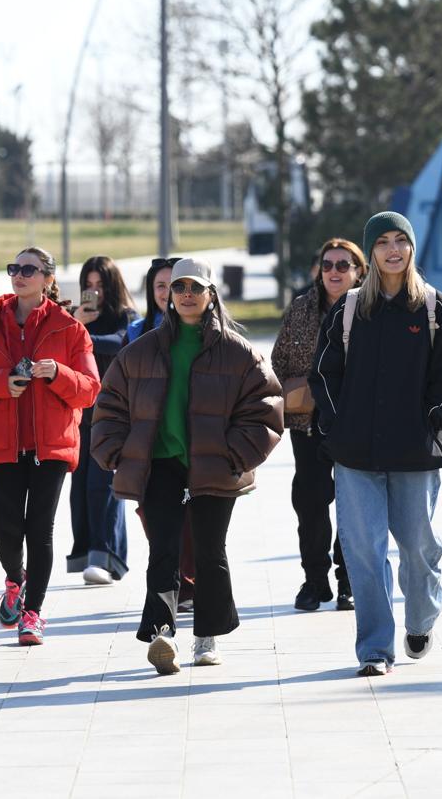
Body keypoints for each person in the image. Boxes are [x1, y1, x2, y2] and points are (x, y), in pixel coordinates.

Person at [92, 257, 283, 674]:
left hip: (215, 467)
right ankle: (162, 635)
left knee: (210, 552)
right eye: (179, 288)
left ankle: (205, 638)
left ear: (211, 294)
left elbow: (266, 408)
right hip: (160, 467)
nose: (187, 295)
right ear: (168, 296)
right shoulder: (139, 352)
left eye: (196, 287)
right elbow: (108, 407)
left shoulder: (238, 353)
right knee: (164, 551)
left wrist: (235, 454)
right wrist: (116, 452)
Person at [309, 212, 442, 677]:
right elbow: (323, 372)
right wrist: (339, 425)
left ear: (412, 248)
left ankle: (421, 620)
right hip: (356, 453)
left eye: (401, 241)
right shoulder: (350, 308)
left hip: (415, 452)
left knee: (419, 546)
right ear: (371, 252)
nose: (393, 250)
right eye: (382, 242)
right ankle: (375, 650)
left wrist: (436, 420)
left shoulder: (436, 308)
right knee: (362, 551)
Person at [0, 247, 99, 646]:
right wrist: (2, 382)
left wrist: (59, 374)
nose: (19, 275)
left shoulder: (69, 329)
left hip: (50, 445)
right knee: (6, 530)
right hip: (1, 443)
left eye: (29, 269)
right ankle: (15, 581)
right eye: (14, 268)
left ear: (48, 279)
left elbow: (88, 390)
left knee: (40, 530)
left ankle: (32, 613)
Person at [271, 239, 366, 612]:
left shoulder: (372, 309)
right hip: (307, 423)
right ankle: (314, 580)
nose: (335, 272)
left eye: (344, 265)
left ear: (360, 271)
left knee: (352, 504)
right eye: (328, 264)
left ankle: (348, 581)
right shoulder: (300, 309)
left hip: (355, 423)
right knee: (309, 504)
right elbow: (277, 363)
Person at [124, 257, 198, 611]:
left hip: (194, 448)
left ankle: (189, 583)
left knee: (192, 523)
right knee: (157, 523)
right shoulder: (139, 334)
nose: (171, 292)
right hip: (151, 448)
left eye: (181, 285)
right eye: (162, 286)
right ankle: (167, 601)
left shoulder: (204, 334)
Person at [67, 255, 138, 586]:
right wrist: (75, 323)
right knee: (79, 489)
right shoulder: (74, 319)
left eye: (100, 286)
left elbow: (121, 344)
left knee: (104, 487)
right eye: (88, 286)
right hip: (78, 416)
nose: (94, 293)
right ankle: (87, 555)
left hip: (114, 416)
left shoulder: (127, 318)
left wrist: (79, 332)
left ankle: (106, 557)